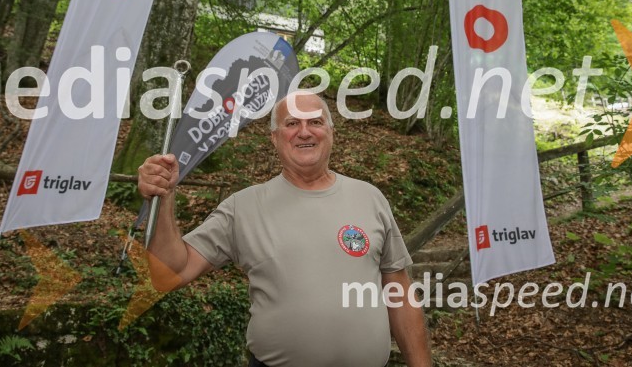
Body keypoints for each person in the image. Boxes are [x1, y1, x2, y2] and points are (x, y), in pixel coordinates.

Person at [138, 91, 432, 367]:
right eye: (292, 123)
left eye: (315, 122)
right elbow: (167, 274)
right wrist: (164, 199)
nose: (305, 131)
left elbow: (399, 290)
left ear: (331, 133)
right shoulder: (243, 207)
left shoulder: (370, 198)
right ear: (275, 138)